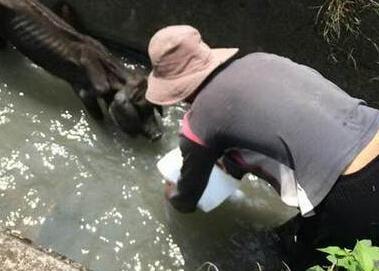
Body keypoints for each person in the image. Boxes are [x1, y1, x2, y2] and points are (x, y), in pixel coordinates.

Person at [145, 25, 379, 269]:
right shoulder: (261, 60)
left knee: (289, 260)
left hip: (351, 189)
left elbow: (187, 200)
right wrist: (229, 164)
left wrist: (172, 194)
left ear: (177, 92)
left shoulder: (199, 121)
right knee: (282, 241)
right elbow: (281, 130)